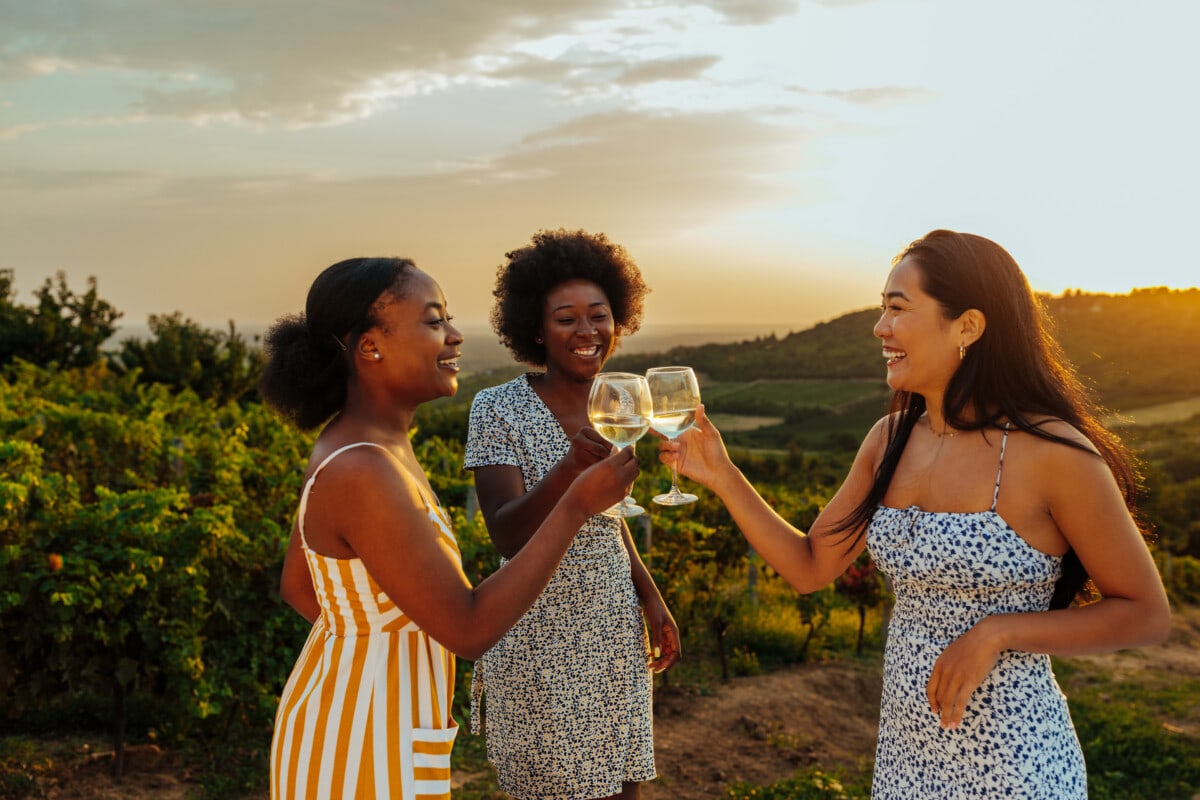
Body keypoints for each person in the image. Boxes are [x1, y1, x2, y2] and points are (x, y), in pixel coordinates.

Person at [658, 230, 1171, 798]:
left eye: (897, 309)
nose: (880, 329)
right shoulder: (889, 441)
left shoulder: (1052, 453)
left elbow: (1145, 613)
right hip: (906, 754)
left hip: (1013, 761)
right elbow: (809, 568)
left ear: (968, 327)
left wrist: (997, 633)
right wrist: (723, 475)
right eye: (882, 309)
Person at [259, 256, 639, 800]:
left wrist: (375, 641)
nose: (455, 336)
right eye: (434, 321)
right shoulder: (365, 467)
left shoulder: (363, 444)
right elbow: (468, 629)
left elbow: (300, 588)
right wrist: (575, 505)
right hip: (365, 743)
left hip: (369, 719)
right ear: (370, 346)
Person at [464, 229, 681, 800]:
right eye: (566, 319)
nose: (587, 332)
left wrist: (649, 596)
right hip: (538, 636)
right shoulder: (496, 408)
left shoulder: (616, 401)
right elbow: (506, 533)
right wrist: (567, 471)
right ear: (535, 327)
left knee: (624, 788)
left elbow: (610, 517)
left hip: (611, 628)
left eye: (599, 316)